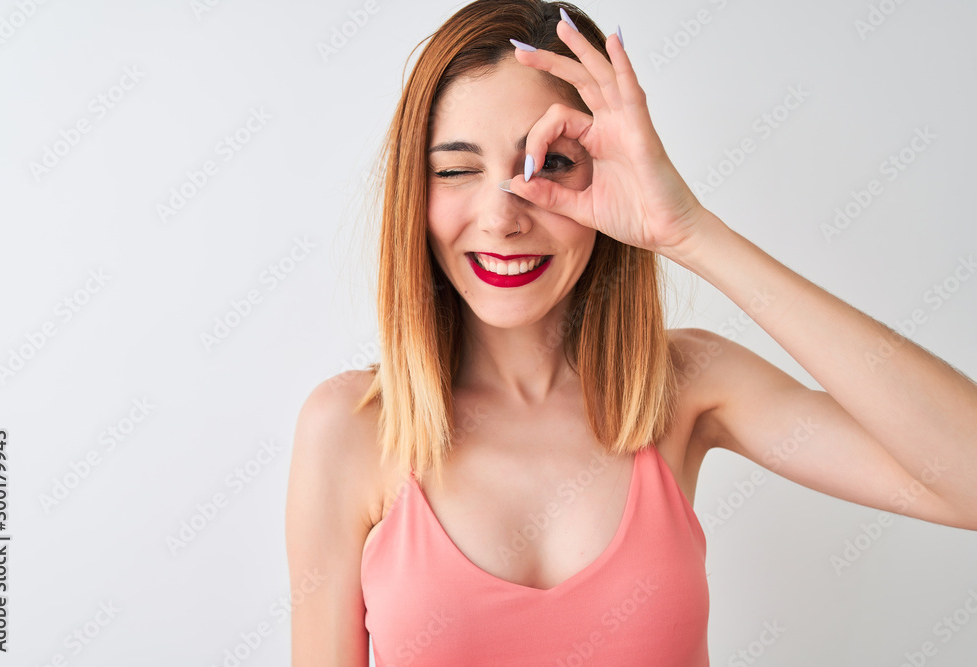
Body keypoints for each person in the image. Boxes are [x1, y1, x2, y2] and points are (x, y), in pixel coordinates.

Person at [285, 1, 977, 664]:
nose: (502, 217)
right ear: (414, 190)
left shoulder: (686, 387)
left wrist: (690, 232)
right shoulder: (348, 430)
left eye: (551, 162)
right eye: (459, 169)